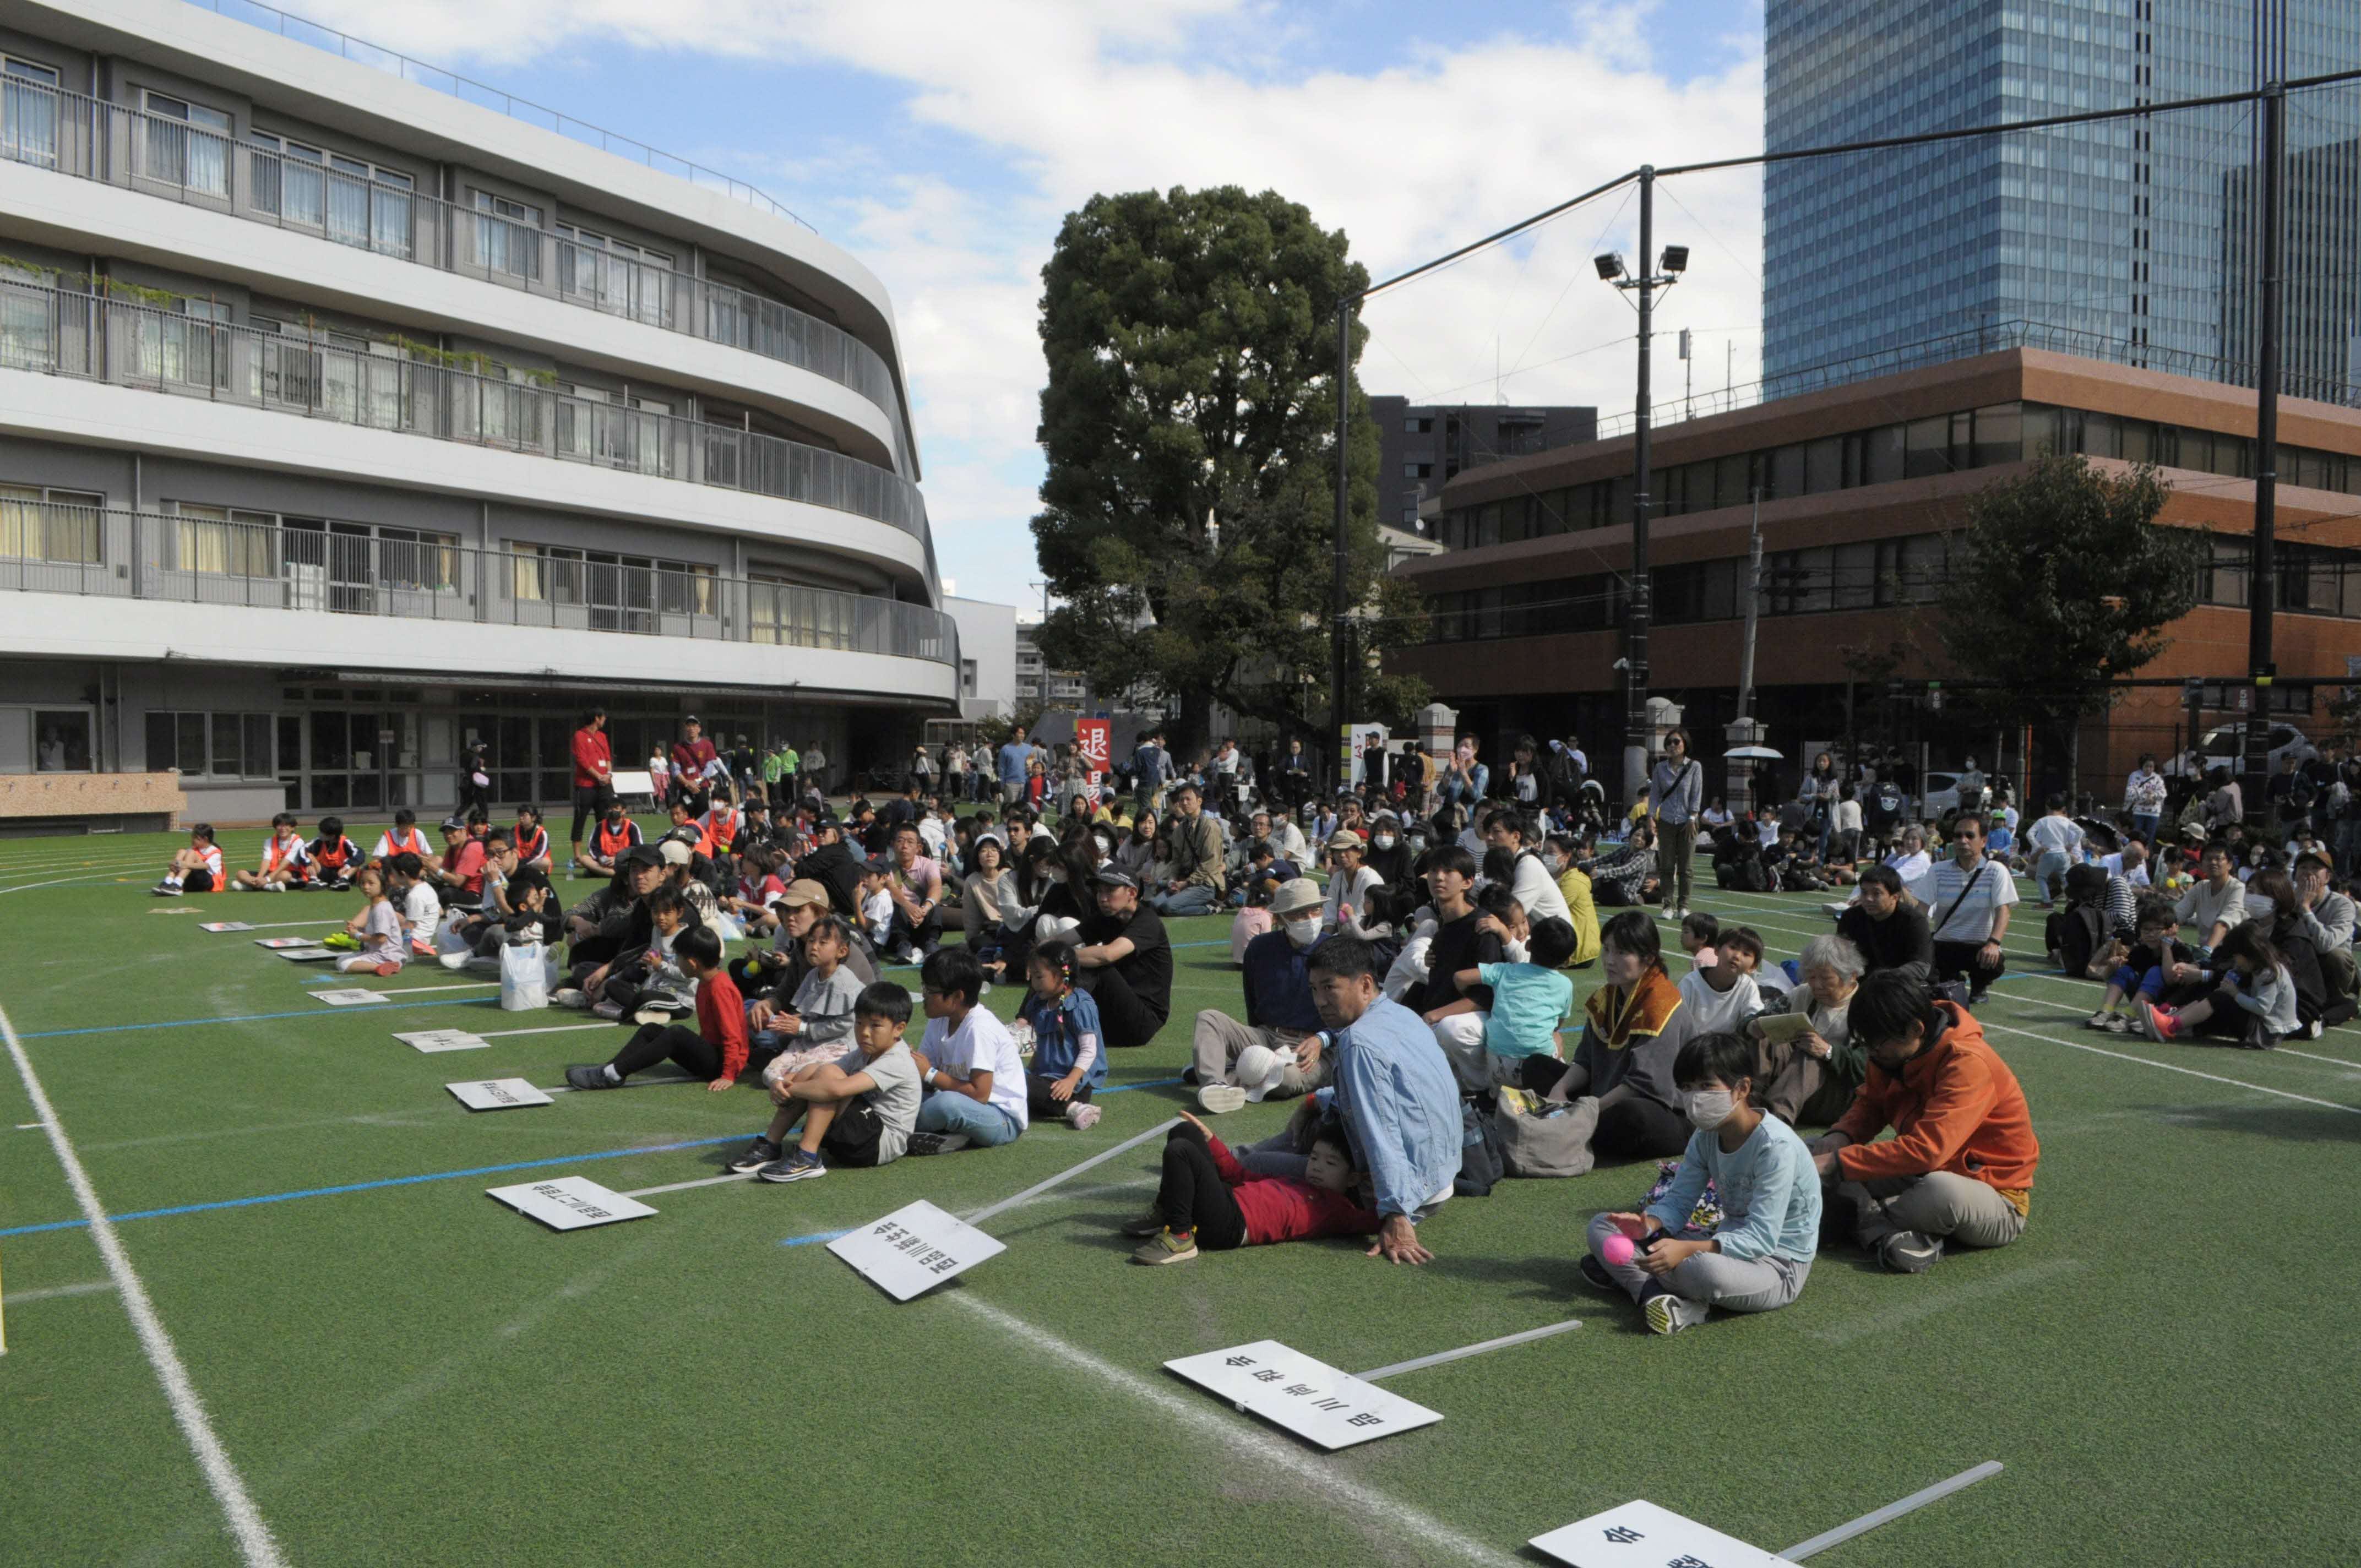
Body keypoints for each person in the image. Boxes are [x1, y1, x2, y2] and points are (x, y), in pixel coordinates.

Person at [1583, 1030, 1820, 1335]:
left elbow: (1762, 1239)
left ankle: (1635, 1277)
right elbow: (1680, 1201)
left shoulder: (1776, 1147)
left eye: (1707, 1086)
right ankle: (1653, 1294)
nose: (1695, 1098)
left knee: (1704, 1271)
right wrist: (1649, 1226)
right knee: (1603, 1226)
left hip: (1777, 1265)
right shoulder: (1706, 1135)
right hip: (1722, 1242)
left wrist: (1687, 1248)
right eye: (1687, 1088)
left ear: (1742, 1088)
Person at [1809, 970, 2039, 1273]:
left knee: (1940, 1191)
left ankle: (1865, 1221)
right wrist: (1841, 1137)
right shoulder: (1889, 1053)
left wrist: (1835, 1163)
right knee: (1809, 1150)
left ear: (1916, 1029)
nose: (1872, 1053)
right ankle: (1883, 1229)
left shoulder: (1968, 1063)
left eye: (1878, 1044)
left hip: (1994, 1196)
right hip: (1920, 1172)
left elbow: (1928, 1151)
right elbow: (1871, 1105)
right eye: (1867, 1043)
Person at [1304, 935, 1462, 1265]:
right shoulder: (1401, 1014)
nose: (1319, 1001)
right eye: (1314, 989)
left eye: (1329, 988)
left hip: (1412, 1194)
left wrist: (1394, 1213)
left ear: (1364, 984)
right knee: (1311, 1126)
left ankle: (1227, 1162)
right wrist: (1314, 1102)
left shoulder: (1359, 1043)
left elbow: (1382, 1131)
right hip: (1441, 1176)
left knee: (1274, 1172)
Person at [1126, 1112, 1380, 1266]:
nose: (1317, 1167)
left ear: (1353, 1179)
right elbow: (1238, 1175)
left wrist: (1397, 1217)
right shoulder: (1295, 1181)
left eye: (1330, 1163)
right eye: (1314, 1158)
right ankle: (1168, 1213)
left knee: (1181, 1151)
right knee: (1185, 1131)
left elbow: (1373, 1221)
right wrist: (1211, 1140)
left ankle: (1181, 1237)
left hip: (1231, 1227)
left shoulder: (1338, 1210)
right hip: (1224, 1203)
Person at [729, 981, 922, 1183]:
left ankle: (807, 1156)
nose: (864, 1032)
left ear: (899, 1029)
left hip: (879, 1144)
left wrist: (793, 1089)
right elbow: (821, 1070)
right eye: (859, 1023)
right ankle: (771, 1144)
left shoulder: (897, 1059)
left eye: (875, 1026)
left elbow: (838, 1089)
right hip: (857, 1132)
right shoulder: (865, 1051)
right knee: (815, 1069)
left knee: (828, 1079)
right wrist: (783, 1081)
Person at [1541, 911, 1694, 1159]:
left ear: (1648, 958)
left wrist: (1588, 1110)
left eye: (1622, 953)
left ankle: (1571, 1127)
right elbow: (1585, 1061)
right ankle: (1574, 1125)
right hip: (1604, 1098)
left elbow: (1643, 1086)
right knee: (1537, 1066)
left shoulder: (1662, 1005)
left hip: (1664, 1112)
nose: (1610, 960)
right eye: (1607, 950)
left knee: (1633, 1117)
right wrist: (1560, 1089)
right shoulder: (1606, 997)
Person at [1192, 879, 1332, 1112]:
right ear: (1282, 918)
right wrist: (1254, 1046)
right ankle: (1214, 1084)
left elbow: (1354, 1016)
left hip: (1315, 1045)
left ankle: (1230, 1072)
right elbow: (1253, 1001)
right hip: (1266, 1036)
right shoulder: (1260, 947)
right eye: (1299, 913)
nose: (1310, 919)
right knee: (1209, 1019)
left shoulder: (1335, 950)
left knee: (1287, 1081)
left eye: (1315, 910)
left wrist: (1323, 1039)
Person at [564, 925, 745, 1092]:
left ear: (692, 963)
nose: (677, 962)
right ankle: (609, 1069)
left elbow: (733, 1036)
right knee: (650, 1030)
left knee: (677, 1033)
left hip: (721, 1065)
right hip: (712, 1056)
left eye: (678, 958)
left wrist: (728, 1075)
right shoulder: (707, 982)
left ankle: (615, 1073)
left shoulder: (719, 988)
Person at [907, 947, 1029, 1154]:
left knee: (946, 1106)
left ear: (956, 997)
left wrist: (928, 1073)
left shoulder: (979, 1028)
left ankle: (901, 1129)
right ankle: (949, 1136)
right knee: (904, 1095)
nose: (923, 996)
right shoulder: (940, 1020)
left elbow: (980, 1094)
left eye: (929, 991)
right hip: (959, 1101)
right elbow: (925, 1076)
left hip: (999, 1118)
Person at [1747, 934, 1868, 1125]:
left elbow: (1871, 1066)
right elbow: (1755, 1019)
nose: (1817, 985)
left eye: (1826, 979)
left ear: (1851, 976)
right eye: (1811, 977)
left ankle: (1776, 1119)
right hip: (1791, 1084)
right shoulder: (1804, 994)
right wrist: (1752, 1025)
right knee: (1766, 1034)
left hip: (1836, 1096)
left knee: (1810, 1055)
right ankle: (1751, 1100)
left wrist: (1829, 1052)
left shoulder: (1867, 1006)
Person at [1451, 914, 1580, 1094]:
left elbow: (1460, 977)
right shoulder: (1565, 985)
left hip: (1499, 1065)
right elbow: (1558, 1024)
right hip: (1538, 1067)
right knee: (1559, 1044)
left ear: (1528, 946)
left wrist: (1467, 995)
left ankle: (1496, 1099)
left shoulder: (1505, 971)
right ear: (1567, 961)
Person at [1911, 813, 2015, 1006]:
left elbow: (2004, 910)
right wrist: (1917, 944)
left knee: (1994, 960)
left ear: (1983, 841)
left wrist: (1993, 943)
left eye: (1969, 835)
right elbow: (1921, 909)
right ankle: (1953, 979)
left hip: (1979, 945)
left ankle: (1979, 985)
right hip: (1945, 943)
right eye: (1957, 836)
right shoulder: (1938, 870)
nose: (1963, 841)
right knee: (1930, 977)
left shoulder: (1996, 870)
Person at [1072, 868, 1174, 1050]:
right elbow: (1062, 939)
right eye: (1099, 892)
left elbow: (1108, 954)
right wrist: (1042, 952)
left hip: (1141, 1023)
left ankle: (1048, 1026)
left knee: (1095, 964)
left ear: (1132, 893)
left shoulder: (1147, 921)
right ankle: (1028, 1024)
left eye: (1110, 891)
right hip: (1113, 1014)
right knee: (1053, 962)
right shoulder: (1106, 918)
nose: (1102, 898)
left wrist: (1060, 955)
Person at [1018, 941, 1106, 1130]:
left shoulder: (1080, 1005)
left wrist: (1071, 1080)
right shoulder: (1040, 1004)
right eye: (1032, 977)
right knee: (1014, 1080)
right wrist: (1029, 1072)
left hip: (1072, 1087)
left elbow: (1090, 1050)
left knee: (1020, 1084)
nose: (1034, 983)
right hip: (1047, 1081)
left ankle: (1075, 1108)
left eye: (1039, 977)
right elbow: (1043, 1047)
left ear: (1061, 975)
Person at [1649, 729, 1705, 919]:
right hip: (1666, 820)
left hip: (1687, 821)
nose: (1672, 746)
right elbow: (1655, 794)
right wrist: (1651, 816)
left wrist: (1692, 817)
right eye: (1669, 743)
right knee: (1666, 865)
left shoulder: (1694, 767)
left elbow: (1696, 793)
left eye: (1676, 742)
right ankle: (1667, 906)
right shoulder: (1660, 768)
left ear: (1685, 745)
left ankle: (1684, 905)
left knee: (1686, 866)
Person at [1149, 781, 1225, 916]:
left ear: (1199, 801)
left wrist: (1187, 883)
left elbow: (1210, 863)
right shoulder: (1179, 829)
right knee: (1154, 905)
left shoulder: (1210, 827)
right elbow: (1176, 860)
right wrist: (1172, 879)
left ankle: (1210, 908)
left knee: (1168, 907)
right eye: (1181, 799)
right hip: (1183, 881)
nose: (1184, 803)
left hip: (1204, 884)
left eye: (1188, 799)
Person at [1677, 925, 1765, 1036]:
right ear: (1717, 950)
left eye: (1746, 954)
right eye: (1733, 948)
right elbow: (1679, 1023)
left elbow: (1754, 1014)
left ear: (1753, 967)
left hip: (1726, 1047)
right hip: (1693, 1046)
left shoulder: (1748, 986)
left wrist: (1753, 1025)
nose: (1737, 956)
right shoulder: (1690, 983)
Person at [881, 822, 945, 962]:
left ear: (919, 847)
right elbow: (892, 889)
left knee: (934, 903)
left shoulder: (928, 864)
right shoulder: (886, 868)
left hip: (923, 919)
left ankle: (932, 943)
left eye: (910, 842)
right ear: (893, 844)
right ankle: (903, 945)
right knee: (893, 903)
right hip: (899, 924)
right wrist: (907, 906)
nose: (905, 846)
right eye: (900, 841)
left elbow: (937, 887)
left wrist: (924, 909)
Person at [331, 864, 406, 976]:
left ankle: (381, 967)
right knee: (341, 960)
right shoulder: (376, 905)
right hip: (378, 952)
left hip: (386, 955)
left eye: (371, 883)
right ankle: (384, 965)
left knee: (344, 964)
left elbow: (381, 939)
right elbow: (375, 931)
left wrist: (357, 935)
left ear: (383, 885)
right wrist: (357, 929)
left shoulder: (381, 909)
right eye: (363, 883)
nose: (366, 887)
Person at [2174, 841, 2248, 952]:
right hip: (2204, 949)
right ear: (2201, 865)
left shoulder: (2238, 888)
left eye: (2218, 859)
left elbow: (2224, 924)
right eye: (2208, 859)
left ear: (2230, 864)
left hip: (2230, 953)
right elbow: (2178, 914)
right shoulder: (2200, 887)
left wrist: (2207, 951)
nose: (2213, 862)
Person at [1543, 834, 1602, 967]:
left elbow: (1550, 911)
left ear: (1567, 856)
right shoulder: (1555, 877)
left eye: (1551, 852)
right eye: (1545, 852)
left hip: (1578, 952)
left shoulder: (1573, 881)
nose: (1546, 857)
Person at [565, 707, 613, 871]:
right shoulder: (580, 736)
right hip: (585, 785)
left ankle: (602, 853)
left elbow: (608, 758)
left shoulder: (602, 736)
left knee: (604, 820)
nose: (605, 720)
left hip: (604, 786)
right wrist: (598, 776)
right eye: (603, 717)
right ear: (597, 718)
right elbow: (582, 760)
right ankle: (578, 856)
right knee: (580, 819)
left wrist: (608, 774)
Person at [2023, 794, 2081, 905]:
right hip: (2063, 854)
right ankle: (2072, 900)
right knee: (2065, 878)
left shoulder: (2044, 821)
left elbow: (2029, 834)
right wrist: (2071, 845)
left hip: (2049, 854)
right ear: (2063, 808)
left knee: (2041, 877)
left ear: (2048, 807)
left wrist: (2038, 847)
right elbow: (2080, 832)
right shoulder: (2066, 821)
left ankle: (2047, 902)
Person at [235, 813, 311, 892]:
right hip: (272, 873)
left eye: (286, 825)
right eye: (279, 825)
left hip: (291, 874)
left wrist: (267, 879)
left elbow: (286, 862)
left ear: (293, 828)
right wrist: (260, 877)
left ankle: (251, 886)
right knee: (240, 874)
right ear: (275, 827)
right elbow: (266, 861)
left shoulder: (298, 841)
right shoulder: (269, 841)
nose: (282, 828)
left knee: (285, 876)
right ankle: (267, 886)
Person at [153, 822, 225, 898]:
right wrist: (174, 864)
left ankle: (177, 885)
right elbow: (182, 862)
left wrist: (185, 864)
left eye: (196, 838)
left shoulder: (215, 852)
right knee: (182, 851)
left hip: (208, 883)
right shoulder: (194, 849)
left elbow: (206, 866)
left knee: (191, 853)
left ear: (205, 839)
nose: (192, 840)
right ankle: (168, 882)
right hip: (193, 883)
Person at [429, 815, 487, 908]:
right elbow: (442, 879)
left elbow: (457, 882)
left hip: (477, 896)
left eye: (452, 831)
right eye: (445, 832)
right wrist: (426, 868)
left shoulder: (473, 848)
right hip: (462, 890)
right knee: (428, 888)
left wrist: (433, 867)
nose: (448, 835)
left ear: (463, 831)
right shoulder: (452, 849)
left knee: (446, 893)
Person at [580, 800, 644, 877]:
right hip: (605, 862)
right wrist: (602, 858)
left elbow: (637, 848)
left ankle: (602, 873)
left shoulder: (632, 827)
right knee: (584, 859)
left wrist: (618, 859)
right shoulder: (600, 826)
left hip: (624, 861)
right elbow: (593, 847)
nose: (613, 811)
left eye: (616, 809)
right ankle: (614, 874)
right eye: (610, 809)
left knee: (637, 862)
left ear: (623, 811)